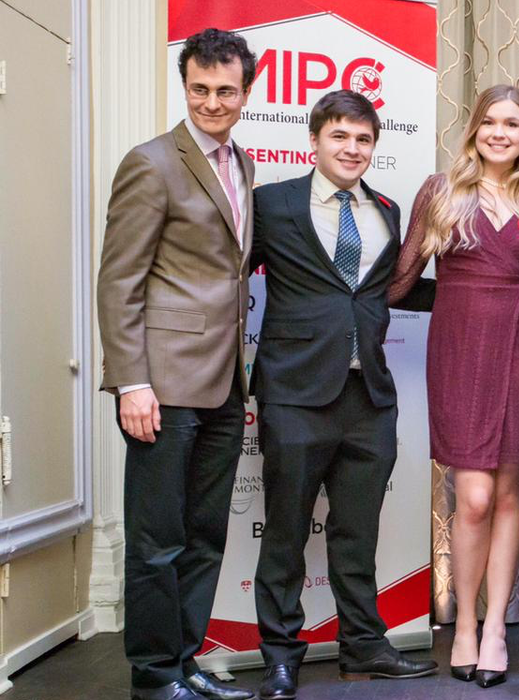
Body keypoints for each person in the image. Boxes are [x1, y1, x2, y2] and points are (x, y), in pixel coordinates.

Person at [249, 90, 439, 700]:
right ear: (315, 140)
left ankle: (364, 648)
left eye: (363, 140)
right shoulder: (271, 205)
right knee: (285, 531)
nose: (352, 149)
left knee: (357, 533)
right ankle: (281, 655)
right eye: (340, 137)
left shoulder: (385, 208)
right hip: (294, 393)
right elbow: (224, 280)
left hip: (369, 397)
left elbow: (390, 290)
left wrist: (475, 295)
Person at [97, 27, 259, 700]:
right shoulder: (152, 162)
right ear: (185, 85)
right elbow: (119, 281)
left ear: (246, 92)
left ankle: (185, 662)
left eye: (226, 91)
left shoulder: (242, 164)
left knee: (203, 538)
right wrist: (132, 381)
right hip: (161, 385)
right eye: (200, 89)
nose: (212, 103)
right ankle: (154, 677)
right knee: (157, 541)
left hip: (222, 382)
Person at [388, 84, 519, 689]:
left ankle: (495, 631)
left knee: (510, 497)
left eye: (512, 124)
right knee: (473, 497)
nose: (500, 133)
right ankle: (461, 625)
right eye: (489, 122)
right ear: (474, 129)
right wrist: (330, 302)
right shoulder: (441, 191)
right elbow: (403, 277)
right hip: (458, 352)